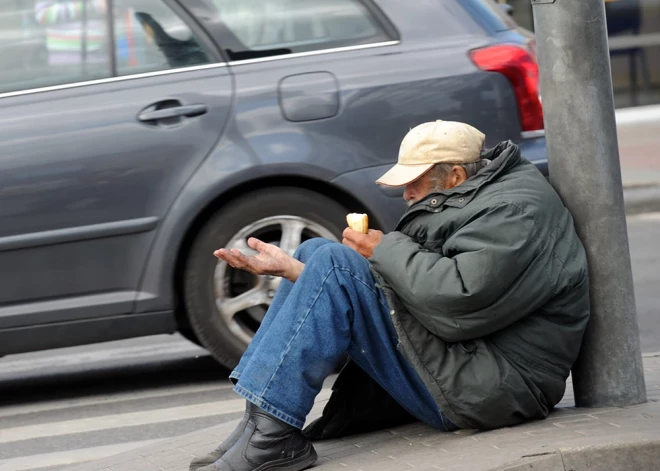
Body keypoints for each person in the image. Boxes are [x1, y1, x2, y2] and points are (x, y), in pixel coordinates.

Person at [190, 121, 590, 471]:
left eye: (413, 182)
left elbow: (456, 304)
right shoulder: (478, 196)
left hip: (497, 386)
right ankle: (259, 423)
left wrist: (384, 250)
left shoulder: (514, 212)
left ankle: (270, 434)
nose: (405, 193)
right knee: (316, 255)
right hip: (472, 361)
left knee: (333, 260)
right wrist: (295, 272)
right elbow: (415, 294)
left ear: (453, 175)